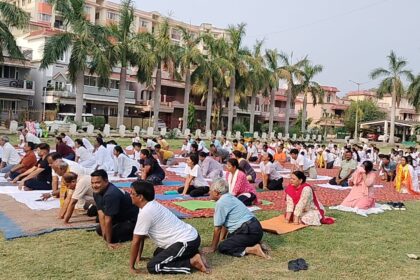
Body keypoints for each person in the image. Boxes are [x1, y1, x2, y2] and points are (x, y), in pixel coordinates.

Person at [129, 180, 209, 275]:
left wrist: (131, 267)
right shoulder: (148, 205)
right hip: (190, 238)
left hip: (187, 241)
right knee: (157, 254)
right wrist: (139, 257)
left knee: (153, 266)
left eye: (132, 193)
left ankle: (192, 262)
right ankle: (194, 253)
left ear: (141, 197)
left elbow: (136, 240)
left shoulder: (146, 211)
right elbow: (141, 234)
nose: (130, 195)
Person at [202, 178, 268, 259]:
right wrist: (222, 239)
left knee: (223, 247)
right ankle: (256, 242)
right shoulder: (230, 197)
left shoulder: (221, 203)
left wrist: (213, 247)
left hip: (248, 231)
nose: (209, 193)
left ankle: (252, 249)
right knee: (230, 238)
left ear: (216, 192)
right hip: (256, 229)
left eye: (210, 191)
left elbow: (218, 228)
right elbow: (224, 223)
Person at [91, 169, 139, 246]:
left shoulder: (111, 194)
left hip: (131, 221)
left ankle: (138, 233)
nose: (94, 185)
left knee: (112, 237)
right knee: (99, 230)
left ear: (106, 181)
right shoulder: (96, 192)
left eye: (97, 182)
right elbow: (101, 214)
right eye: (92, 183)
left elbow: (108, 219)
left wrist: (108, 242)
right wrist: (105, 236)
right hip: (118, 218)